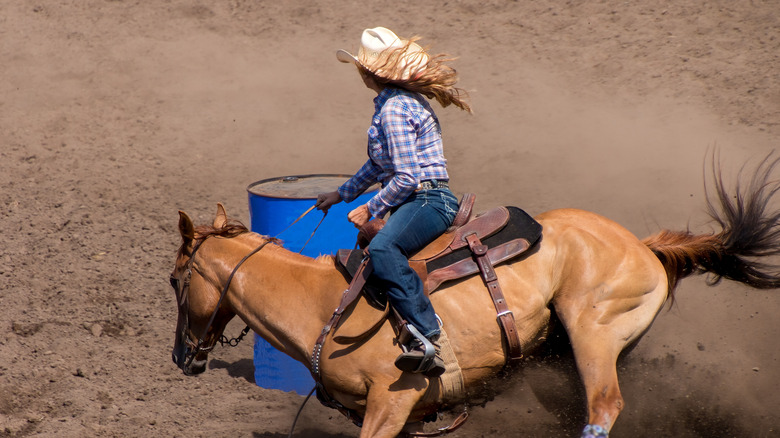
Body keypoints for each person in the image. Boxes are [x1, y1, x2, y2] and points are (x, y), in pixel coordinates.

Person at [315, 26, 471, 377]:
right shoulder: (399, 103)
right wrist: (342, 194)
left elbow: (406, 177)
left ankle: (428, 337)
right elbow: (379, 163)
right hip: (418, 197)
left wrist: (372, 207)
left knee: (383, 250)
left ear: (366, 72)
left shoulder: (394, 110)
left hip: (428, 199)